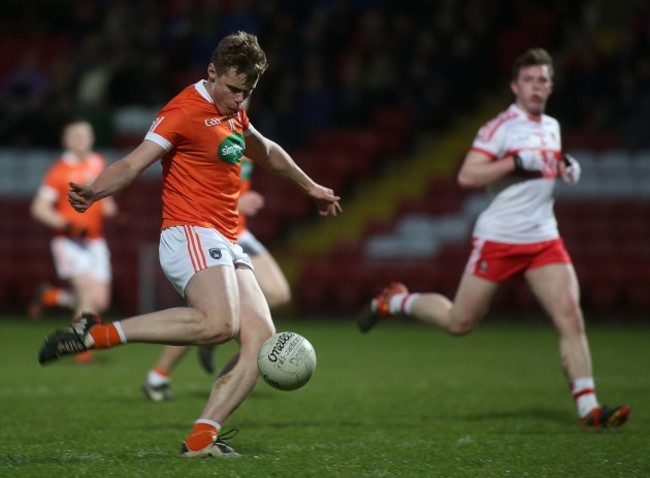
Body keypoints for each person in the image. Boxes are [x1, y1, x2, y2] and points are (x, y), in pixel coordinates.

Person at [38, 31, 341, 457]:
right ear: (211, 72)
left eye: (247, 93)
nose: (239, 100)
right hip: (190, 230)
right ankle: (98, 334)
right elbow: (134, 161)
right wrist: (95, 191)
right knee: (219, 325)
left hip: (227, 235)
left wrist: (310, 187)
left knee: (260, 338)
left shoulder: (232, 112)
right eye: (234, 90)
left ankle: (202, 439)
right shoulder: (183, 111)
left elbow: (267, 151)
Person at [358, 48, 630, 429]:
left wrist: (566, 165)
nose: (538, 86)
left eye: (544, 80)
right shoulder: (499, 127)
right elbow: (468, 176)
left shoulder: (551, 126)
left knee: (570, 317)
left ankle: (589, 409)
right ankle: (397, 301)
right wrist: (515, 162)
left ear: (551, 87)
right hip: (499, 239)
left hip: (543, 239)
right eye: (531, 80)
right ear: (515, 86)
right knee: (459, 322)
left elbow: (547, 161)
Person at [143, 157, 292, 402]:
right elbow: (192, 188)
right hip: (208, 231)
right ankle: (157, 377)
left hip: (237, 230)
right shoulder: (207, 132)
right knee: (206, 312)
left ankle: (220, 325)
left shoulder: (243, 132)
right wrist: (235, 202)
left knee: (278, 293)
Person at [29, 120, 118, 363]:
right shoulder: (58, 171)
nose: (82, 140)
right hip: (69, 242)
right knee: (85, 293)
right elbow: (39, 208)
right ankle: (82, 351)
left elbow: (103, 197)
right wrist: (67, 225)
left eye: (85, 135)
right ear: (66, 140)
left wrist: (110, 207)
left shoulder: (98, 162)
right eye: (76, 135)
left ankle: (51, 297)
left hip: (95, 242)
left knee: (100, 301)